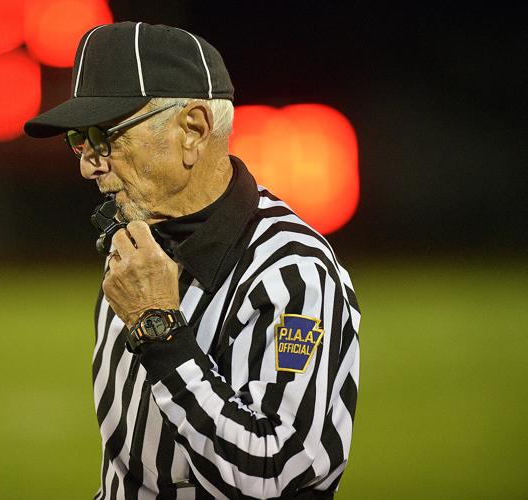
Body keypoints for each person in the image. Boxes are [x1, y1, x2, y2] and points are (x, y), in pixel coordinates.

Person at [24, 21, 360, 500]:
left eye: (106, 136)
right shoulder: (135, 244)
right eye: (80, 139)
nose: (87, 164)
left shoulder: (292, 273)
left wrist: (159, 330)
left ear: (193, 130)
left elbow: (275, 475)